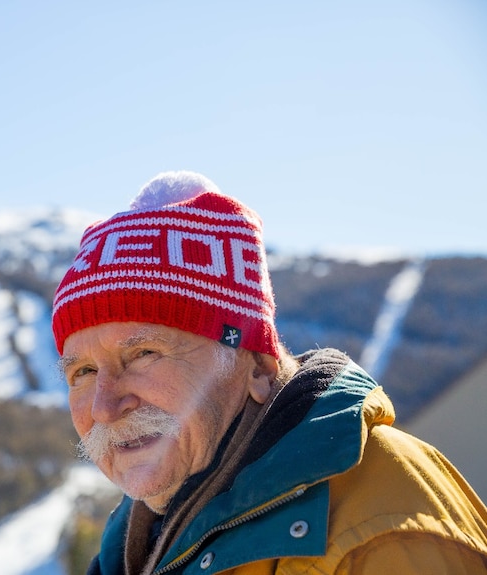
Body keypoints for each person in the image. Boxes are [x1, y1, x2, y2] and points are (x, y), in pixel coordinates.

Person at [51, 171, 487, 574]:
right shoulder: (145, 541)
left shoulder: (379, 536)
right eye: (84, 372)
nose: (104, 407)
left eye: (144, 354)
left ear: (258, 367)